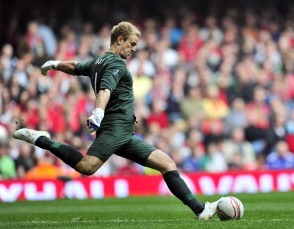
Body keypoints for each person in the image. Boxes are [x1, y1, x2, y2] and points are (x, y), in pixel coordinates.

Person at [13, 21, 221, 220]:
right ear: (119, 39)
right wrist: (98, 113)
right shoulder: (116, 64)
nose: (133, 49)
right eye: (131, 44)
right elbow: (105, 89)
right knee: (87, 167)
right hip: (114, 130)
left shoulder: (98, 61)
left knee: (166, 164)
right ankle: (43, 140)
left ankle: (200, 210)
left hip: (125, 133)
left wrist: (55, 64)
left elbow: (76, 66)